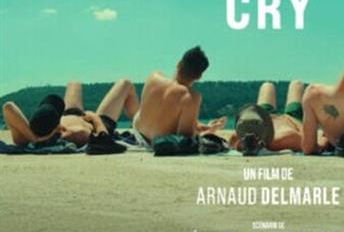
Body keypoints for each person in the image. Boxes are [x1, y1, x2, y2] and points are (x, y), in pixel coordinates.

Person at [3, 80, 138, 153]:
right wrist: (94, 117)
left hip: (69, 114)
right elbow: (101, 136)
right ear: (57, 127)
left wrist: (35, 138)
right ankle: (142, 130)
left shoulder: (26, 135)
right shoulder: (73, 133)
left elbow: (8, 107)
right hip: (96, 121)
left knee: (74, 82)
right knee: (125, 84)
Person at [133, 46, 220, 146]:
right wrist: (209, 132)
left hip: (138, 133)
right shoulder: (190, 97)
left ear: (178, 63)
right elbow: (185, 139)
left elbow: (161, 113)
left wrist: (201, 126)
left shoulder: (153, 77)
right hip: (158, 143)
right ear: (199, 77)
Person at [232, 80, 307, 155]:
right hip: (288, 118)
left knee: (267, 85)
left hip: (263, 117)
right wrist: (296, 122)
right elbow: (308, 142)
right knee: (296, 84)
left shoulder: (236, 137)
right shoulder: (286, 137)